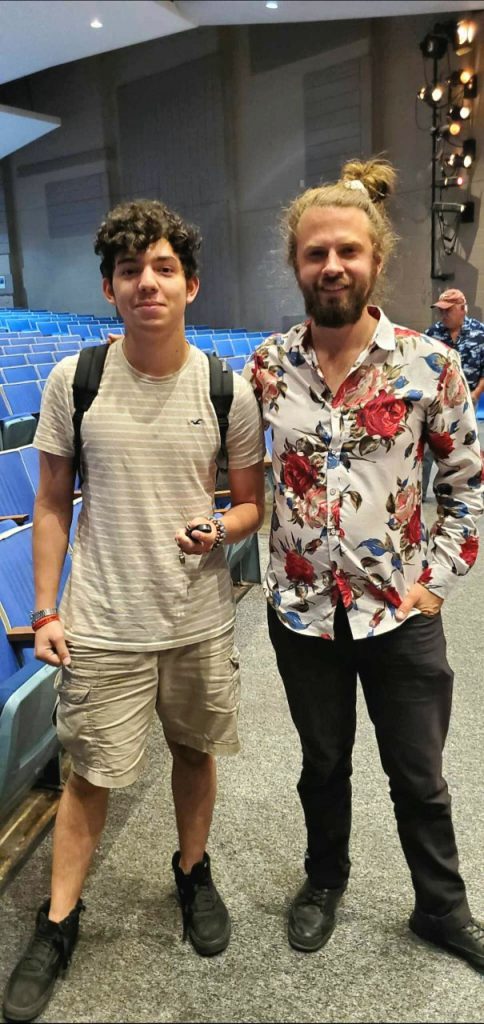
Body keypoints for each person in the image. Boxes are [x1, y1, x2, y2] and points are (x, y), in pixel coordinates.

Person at [3, 200, 265, 1023]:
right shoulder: (73, 381)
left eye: (161, 268)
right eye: (128, 271)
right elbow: (50, 503)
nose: (145, 283)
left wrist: (220, 525)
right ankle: (58, 920)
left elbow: (252, 504)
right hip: (105, 619)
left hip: (195, 618)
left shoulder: (228, 389)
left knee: (195, 752)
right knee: (90, 778)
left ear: (191, 283)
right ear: (111, 289)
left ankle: (192, 872)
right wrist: (44, 608)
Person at [243, 159, 483, 970]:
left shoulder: (430, 365)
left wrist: (435, 584)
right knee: (322, 762)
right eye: (316, 254)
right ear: (296, 265)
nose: (332, 266)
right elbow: (239, 472)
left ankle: (441, 910)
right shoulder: (268, 366)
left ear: (377, 259)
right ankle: (323, 879)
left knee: (419, 774)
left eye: (347, 251)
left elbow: (469, 489)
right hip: (302, 611)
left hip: (398, 610)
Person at [422, 289, 484, 498]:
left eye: (448, 311)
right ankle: (420, 495)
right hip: (436, 401)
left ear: (462, 309)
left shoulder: (480, 334)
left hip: (468, 400)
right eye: (441, 311)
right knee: (428, 450)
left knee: (466, 448)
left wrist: (475, 395)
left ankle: (466, 493)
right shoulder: (431, 334)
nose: (443, 315)